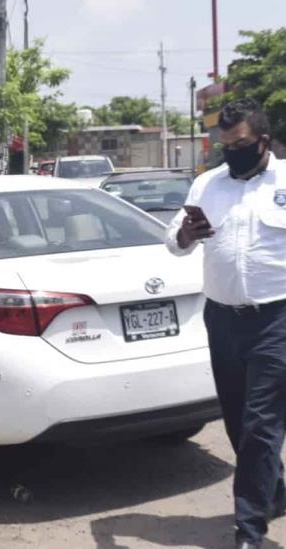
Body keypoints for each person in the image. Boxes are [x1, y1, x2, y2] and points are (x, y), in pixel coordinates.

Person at [165, 98, 286, 549]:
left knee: (261, 424)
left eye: (239, 144)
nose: (229, 151)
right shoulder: (207, 185)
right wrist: (184, 235)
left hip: (277, 318)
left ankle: (249, 530)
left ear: (263, 142)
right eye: (224, 144)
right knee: (237, 422)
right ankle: (273, 491)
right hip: (223, 320)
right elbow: (173, 241)